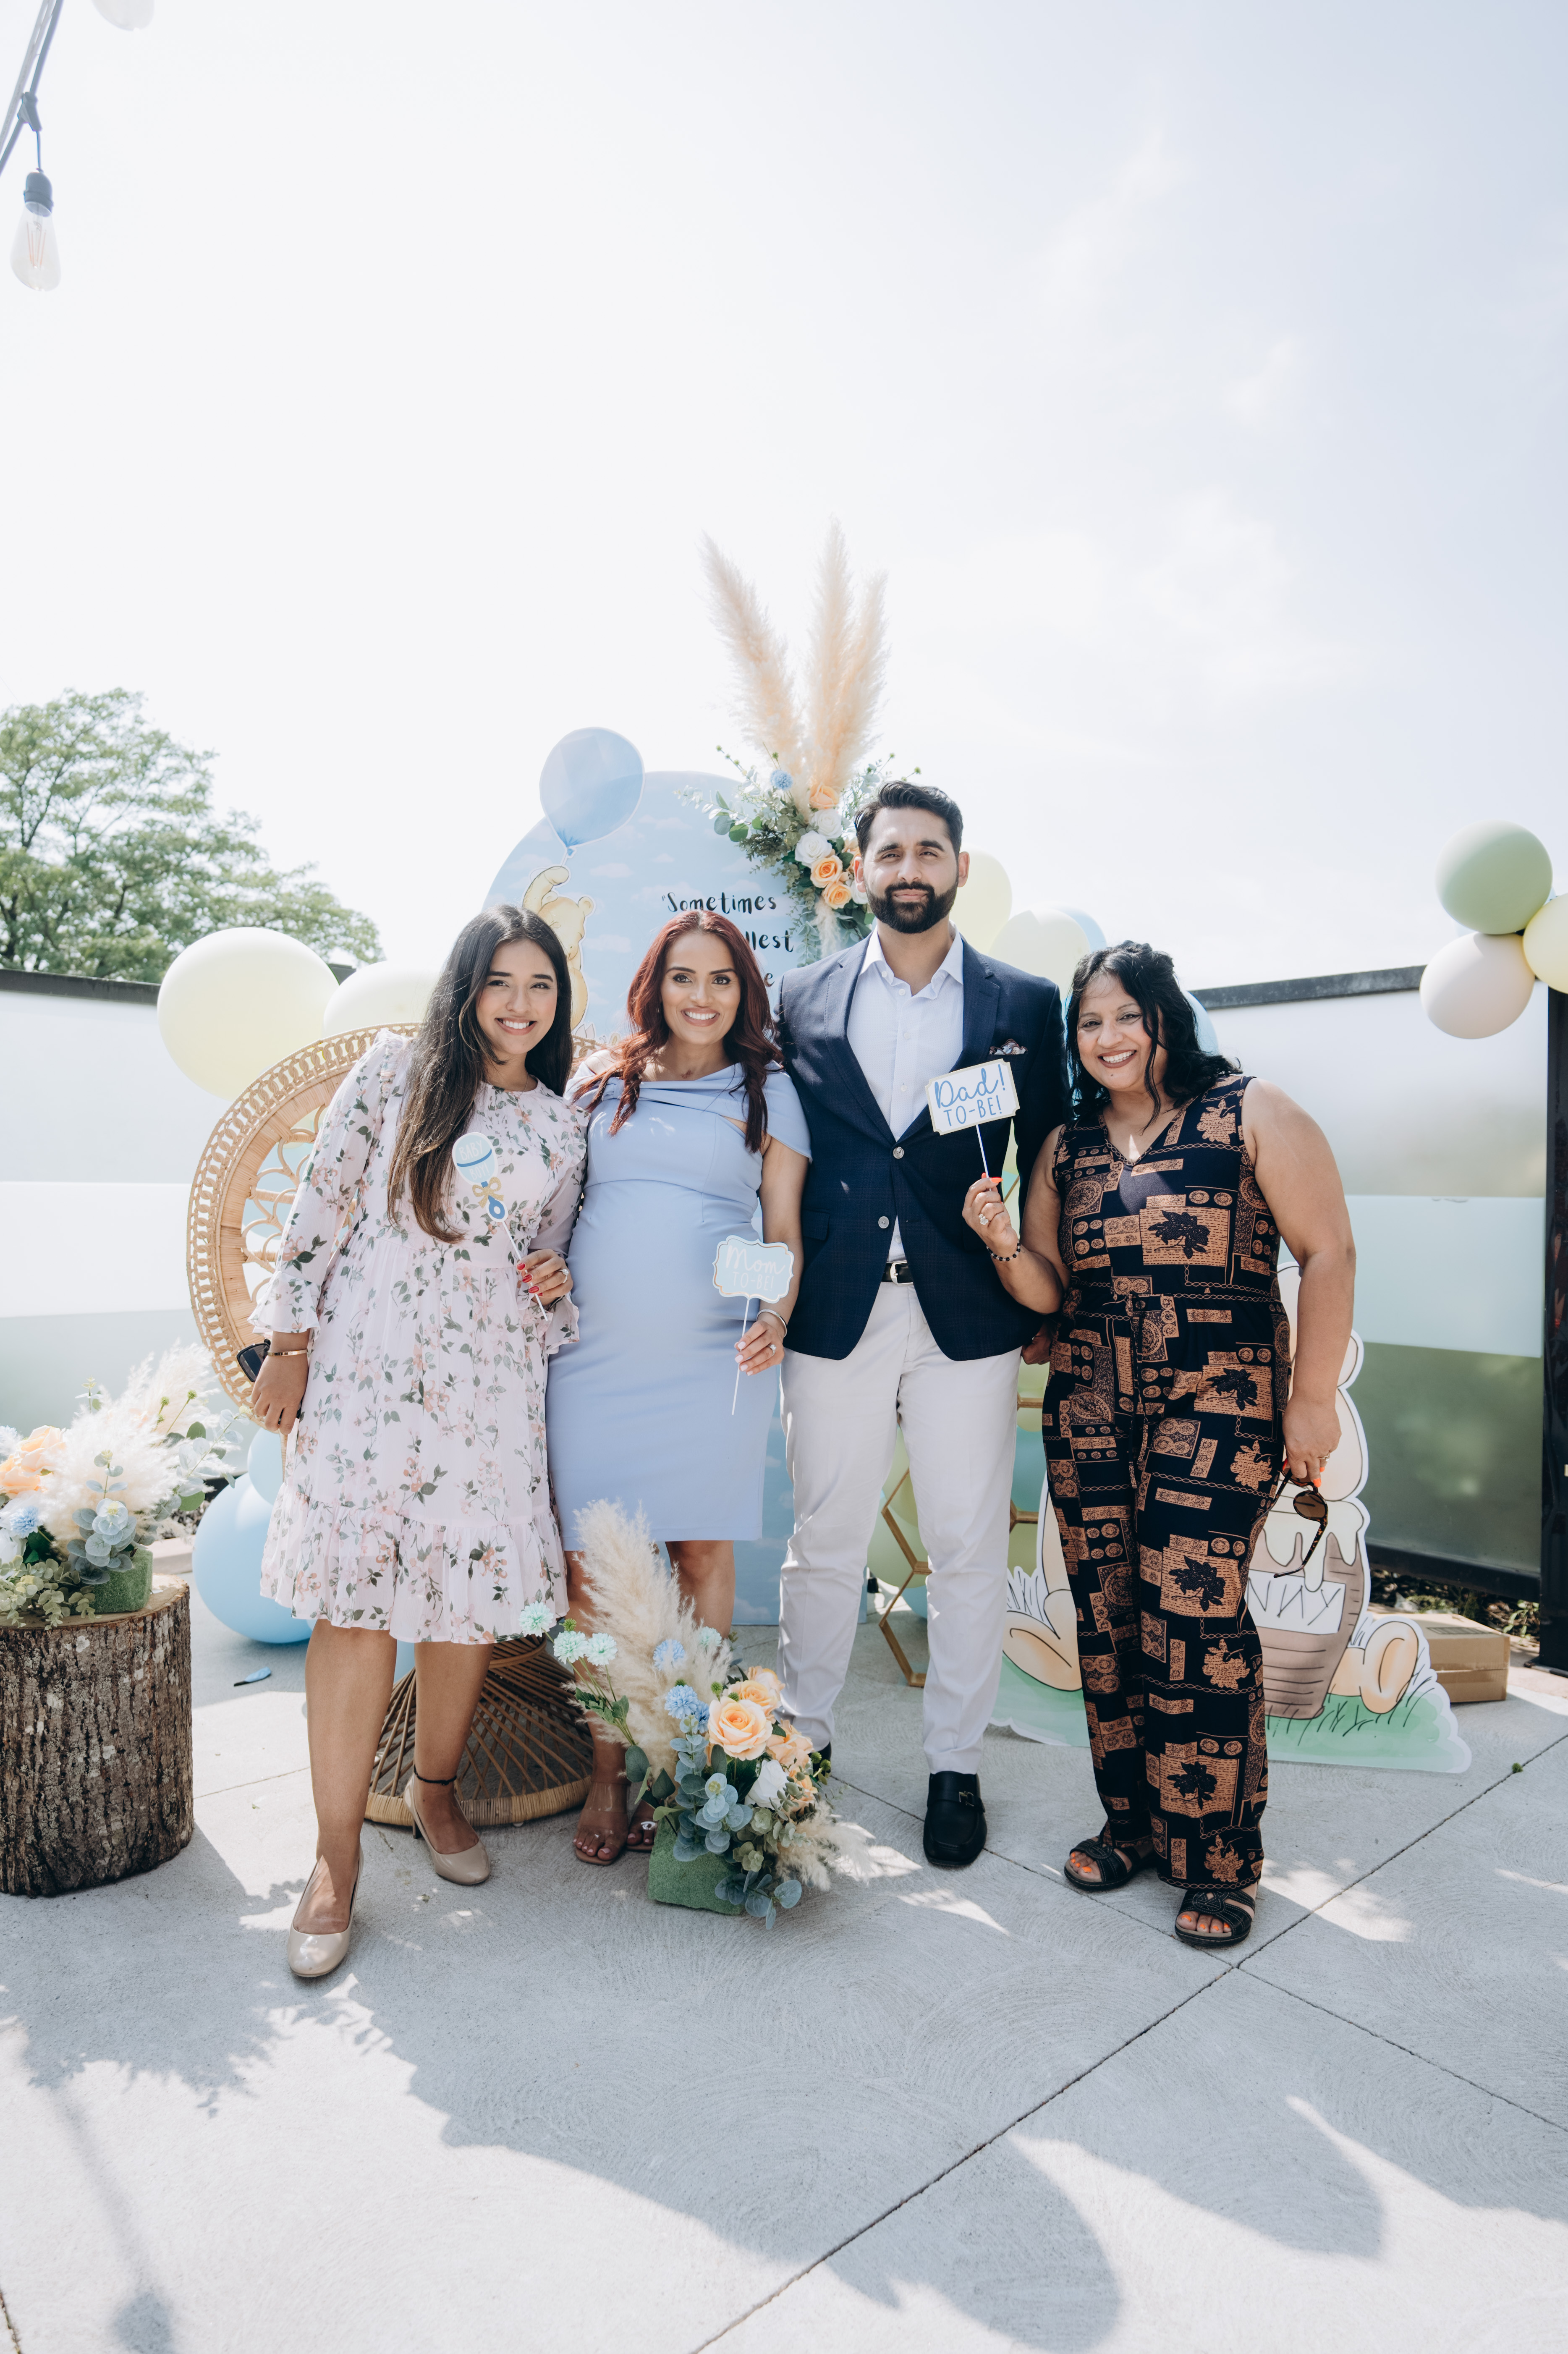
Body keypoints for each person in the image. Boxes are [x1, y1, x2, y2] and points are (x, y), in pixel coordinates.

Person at [960, 940, 1355, 1947]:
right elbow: (1048, 1285)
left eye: (1126, 1015)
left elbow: (1327, 1251)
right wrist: (1001, 1242)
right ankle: (1131, 1823)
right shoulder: (1067, 1145)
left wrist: (1311, 1400)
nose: (1108, 1036)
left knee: (1192, 1613)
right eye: (1089, 1022)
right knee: (1107, 1616)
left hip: (1221, 1403)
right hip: (1088, 1405)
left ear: (1163, 1018)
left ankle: (1220, 1856)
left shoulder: (1249, 1110)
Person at [250, 907, 585, 1980]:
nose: (519, 1004)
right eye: (500, 981)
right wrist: (289, 1343)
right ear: (465, 987)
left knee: (462, 1599)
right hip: (369, 1370)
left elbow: (548, 1267)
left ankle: (435, 1790)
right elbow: (319, 1210)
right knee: (353, 1606)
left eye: (540, 985)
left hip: (490, 1387)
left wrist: (553, 1286)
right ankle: (334, 1857)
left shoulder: (562, 1126)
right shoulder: (395, 1071)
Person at [775, 779, 1070, 1868]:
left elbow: (1051, 1150)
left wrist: (1045, 1286)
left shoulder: (1022, 1002)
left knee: (965, 1546)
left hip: (969, 1314)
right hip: (834, 1306)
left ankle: (955, 1766)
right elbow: (775, 1146)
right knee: (823, 1542)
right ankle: (800, 1750)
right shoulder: (798, 997)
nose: (910, 868)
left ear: (959, 866)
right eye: (891, 851)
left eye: (929, 850)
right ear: (860, 869)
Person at [546, 910, 810, 1864]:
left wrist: (777, 1314)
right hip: (591, 1359)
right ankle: (608, 1769)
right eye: (683, 977)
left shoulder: (770, 1088)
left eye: (722, 979)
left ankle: (684, 1766)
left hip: (712, 1360)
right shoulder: (600, 1079)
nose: (702, 996)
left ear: (745, 992)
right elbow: (557, 1204)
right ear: (654, 985)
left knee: (698, 1551)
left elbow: (783, 1229)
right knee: (592, 1566)